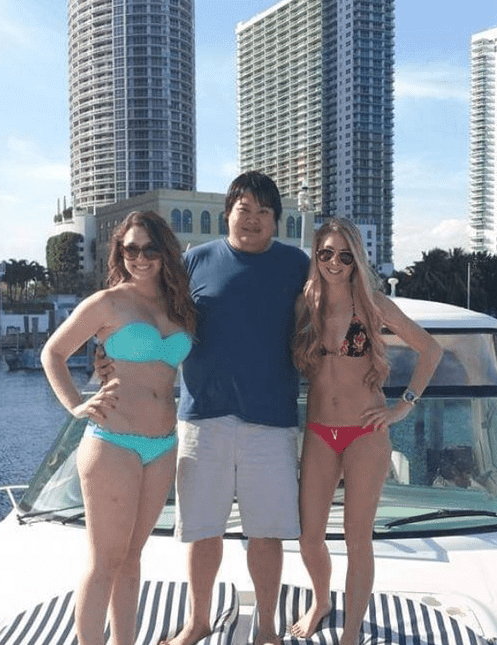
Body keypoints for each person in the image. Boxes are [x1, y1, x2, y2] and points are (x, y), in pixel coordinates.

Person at [96, 172, 309, 645]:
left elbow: (331, 309)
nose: (252, 220)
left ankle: (267, 627)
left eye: (263, 212)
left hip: (271, 421)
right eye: (244, 209)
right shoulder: (193, 261)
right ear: (227, 213)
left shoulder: (297, 264)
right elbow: (148, 312)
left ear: (276, 220)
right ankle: (198, 621)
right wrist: (107, 353)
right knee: (202, 530)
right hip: (202, 419)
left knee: (267, 533)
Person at [41, 211, 195, 645]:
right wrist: (76, 405)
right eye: (131, 249)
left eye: (149, 249)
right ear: (120, 252)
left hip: (163, 445)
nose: (140, 258)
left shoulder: (179, 305)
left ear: (165, 252)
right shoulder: (107, 303)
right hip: (113, 443)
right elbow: (53, 353)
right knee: (105, 562)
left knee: (132, 558)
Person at [289, 218, 443, 645]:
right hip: (319, 431)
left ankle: (351, 633)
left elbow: (430, 349)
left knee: (358, 539)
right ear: (316, 255)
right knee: (309, 538)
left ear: (356, 259)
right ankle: (321, 601)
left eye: (344, 255)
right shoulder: (306, 303)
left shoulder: (373, 304)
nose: (334, 263)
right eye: (326, 254)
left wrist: (403, 406)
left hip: (365, 433)